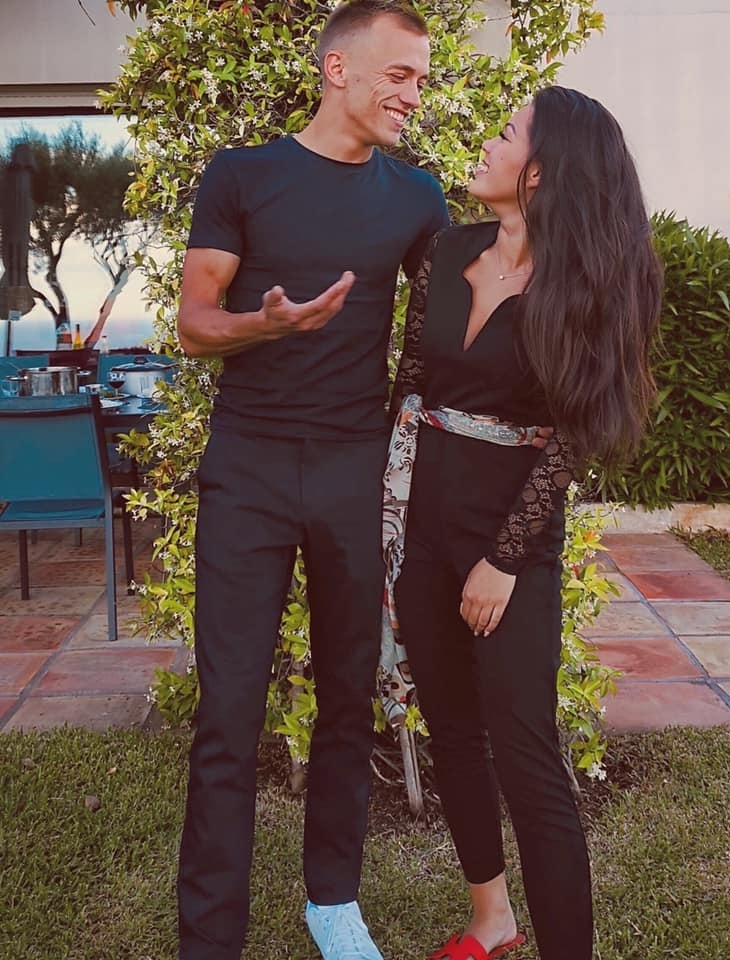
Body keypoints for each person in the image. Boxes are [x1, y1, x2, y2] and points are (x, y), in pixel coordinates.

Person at [175, 1, 449, 958]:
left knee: (346, 696)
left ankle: (332, 903)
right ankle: (210, 936)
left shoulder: (418, 198)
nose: (414, 95)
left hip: (351, 471)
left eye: (421, 79)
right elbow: (194, 323)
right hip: (247, 469)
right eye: (399, 75)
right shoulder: (242, 175)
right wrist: (264, 324)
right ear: (338, 69)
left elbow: (450, 327)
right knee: (228, 711)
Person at [384, 86, 663, 960]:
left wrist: (504, 559)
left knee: (528, 755)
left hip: (511, 541)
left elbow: (573, 437)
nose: (487, 142)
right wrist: (386, 525)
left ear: (540, 171)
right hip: (421, 529)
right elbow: (408, 387)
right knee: (451, 731)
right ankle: (491, 920)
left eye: (506, 133)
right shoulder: (446, 251)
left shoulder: (587, 283)